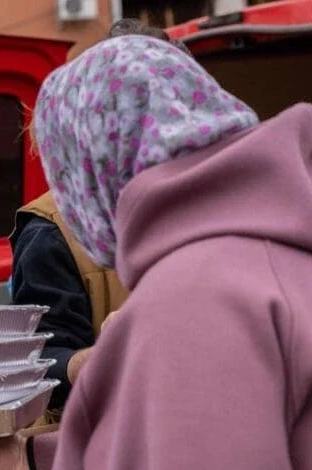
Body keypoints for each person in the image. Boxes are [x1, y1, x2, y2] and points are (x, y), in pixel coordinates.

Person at [0, 35, 312, 470]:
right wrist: (23, 460)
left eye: (63, 174)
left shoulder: (198, 294)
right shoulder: (296, 241)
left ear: (93, 168)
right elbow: (206, 453)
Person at [10, 19, 185, 410]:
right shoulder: (51, 231)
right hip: (100, 434)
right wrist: (97, 358)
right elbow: (33, 367)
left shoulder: (212, 208)